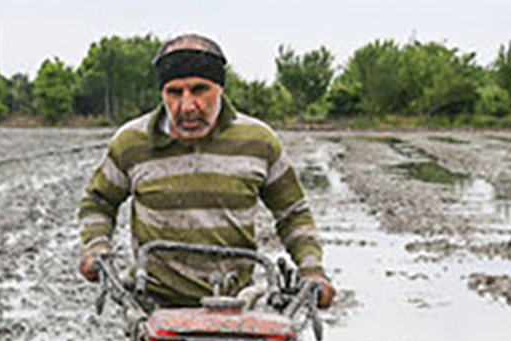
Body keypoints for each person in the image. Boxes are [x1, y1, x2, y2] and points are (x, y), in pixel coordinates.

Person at [75, 33, 335, 310]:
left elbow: (292, 213)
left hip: (234, 303)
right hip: (154, 303)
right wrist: (97, 247)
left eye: (199, 90)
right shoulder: (131, 143)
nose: (187, 106)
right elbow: (99, 202)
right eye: (174, 92)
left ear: (220, 88)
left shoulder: (259, 142)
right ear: (162, 93)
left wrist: (312, 271)